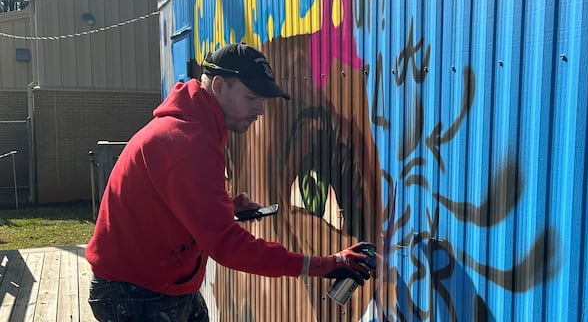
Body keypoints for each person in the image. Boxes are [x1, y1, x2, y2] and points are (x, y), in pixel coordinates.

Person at [85, 43, 376, 321]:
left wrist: (225, 208)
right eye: (252, 98)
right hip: (134, 292)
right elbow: (227, 246)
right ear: (219, 86)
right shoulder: (184, 142)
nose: (260, 110)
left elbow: (173, 207)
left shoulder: (195, 131)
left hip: (159, 281)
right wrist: (325, 265)